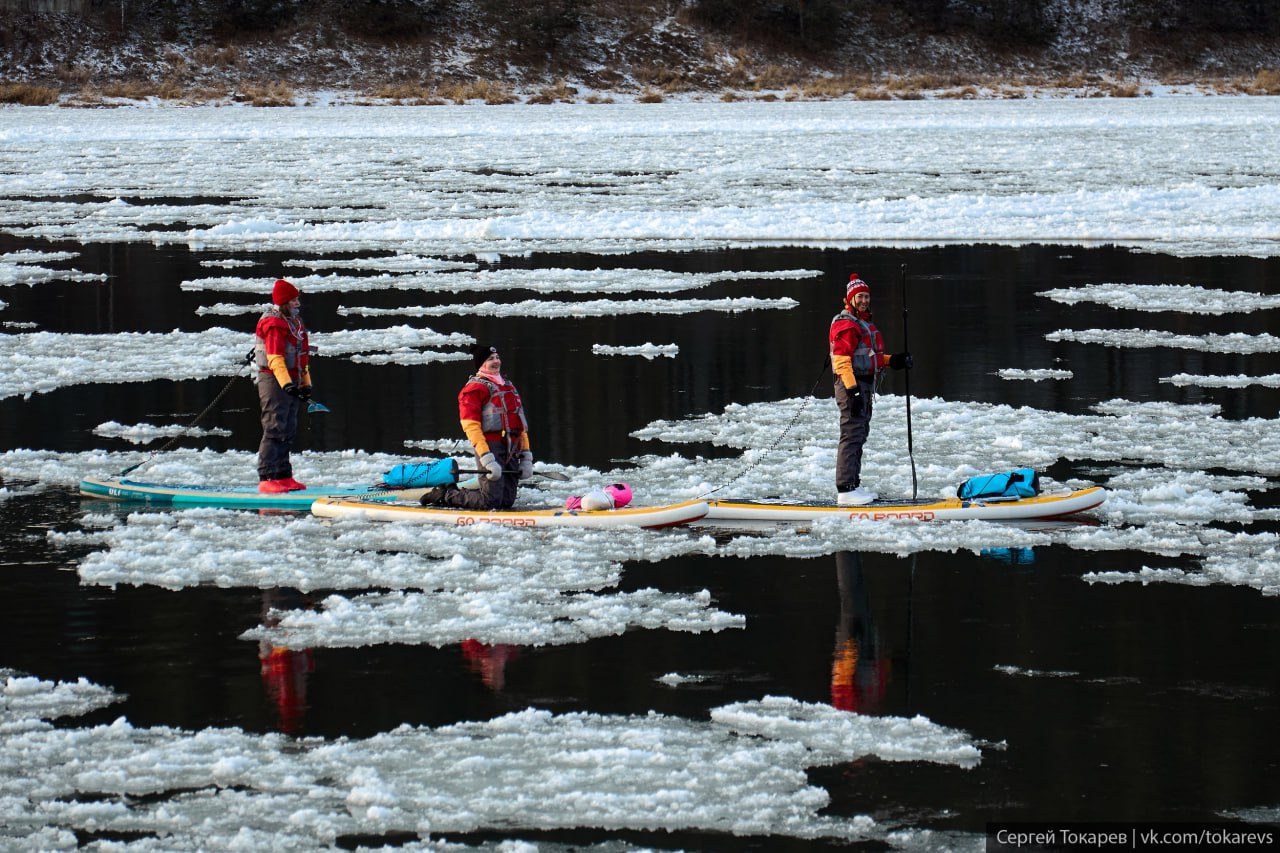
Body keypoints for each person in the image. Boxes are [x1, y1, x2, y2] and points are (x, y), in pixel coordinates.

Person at [829, 272, 912, 506]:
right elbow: (842, 361)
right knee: (852, 434)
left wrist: (894, 360)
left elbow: (868, 357)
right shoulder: (846, 324)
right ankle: (845, 489)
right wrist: (853, 391)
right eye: (860, 297)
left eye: (866, 296)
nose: (864, 300)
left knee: (860, 433)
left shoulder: (863, 323)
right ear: (850, 299)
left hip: (863, 385)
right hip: (851, 386)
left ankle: (853, 485)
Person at [420, 344, 533, 509]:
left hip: (511, 447)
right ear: (481, 364)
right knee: (491, 501)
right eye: (490, 359)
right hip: (490, 447)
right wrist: (486, 458)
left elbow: (520, 427)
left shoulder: (508, 387)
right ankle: (446, 494)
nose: (496, 361)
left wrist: (526, 457)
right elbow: (471, 426)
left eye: (497, 358)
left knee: (507, 501)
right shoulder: (474, 389)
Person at [255, 278, 313, 493]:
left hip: (291, 379)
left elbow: (302, 357)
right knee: (274, 427)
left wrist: (305, 383)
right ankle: (267, 476)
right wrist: (287, 385)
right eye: (294, 300)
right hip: (274, 381)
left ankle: (283, 475)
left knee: (288, 428)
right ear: (284, 302)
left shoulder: (295, 324)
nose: (298, 303)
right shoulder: (274, 324)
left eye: (298, 299)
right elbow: (275, 357)